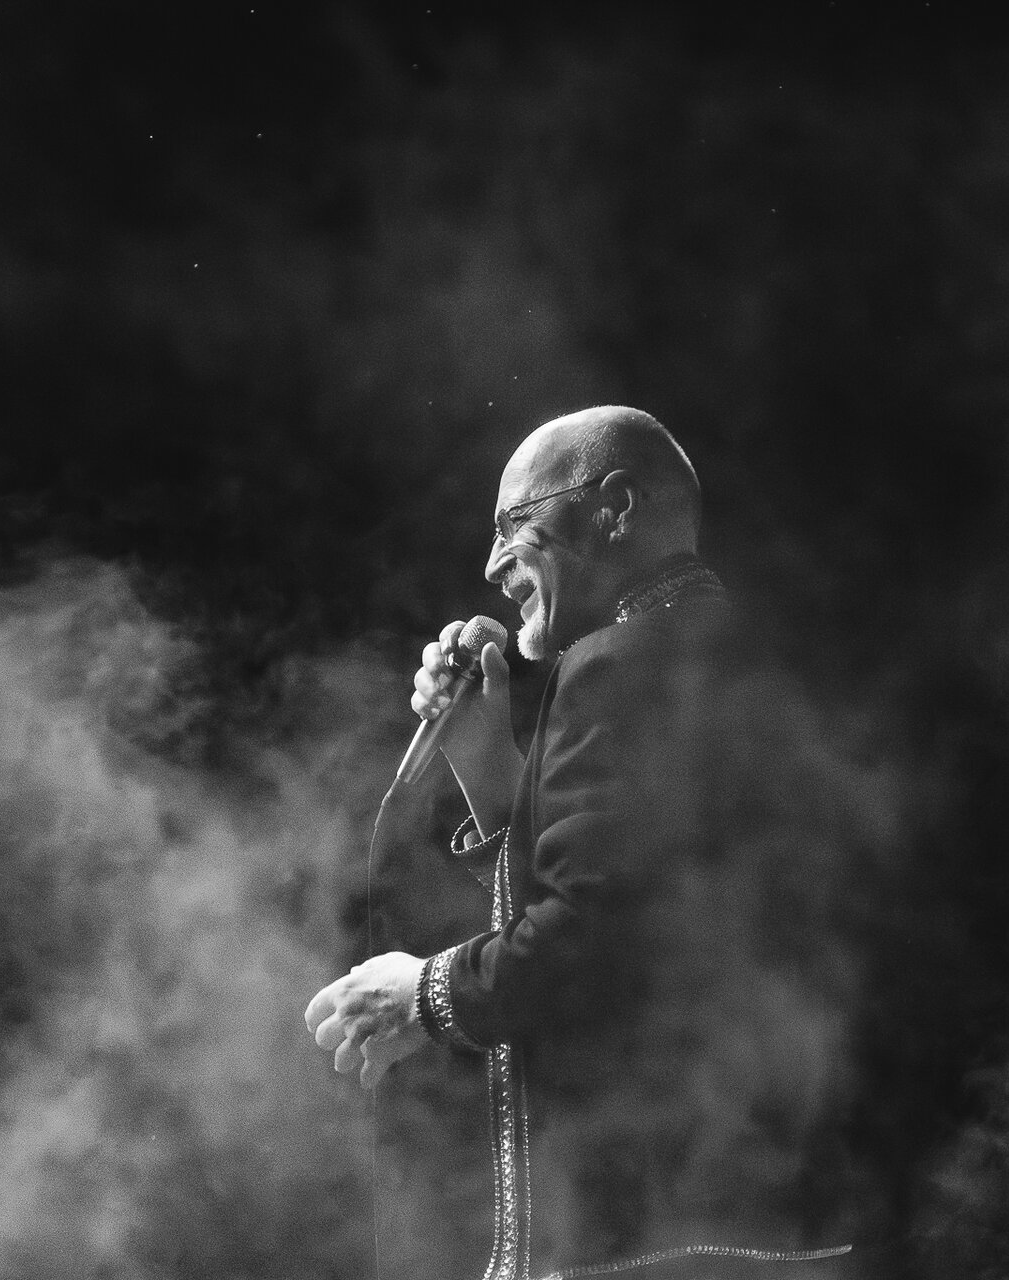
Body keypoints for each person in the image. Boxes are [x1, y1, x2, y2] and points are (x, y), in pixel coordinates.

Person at [306, 406, 869, 1278]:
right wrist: (488, 763)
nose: (492, 565)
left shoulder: (615, 665)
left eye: (513, 524)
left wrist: (425, 995)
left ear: (616, 507)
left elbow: (592, 932)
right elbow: (661, 903)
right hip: (778, 1201)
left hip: (655, 1222)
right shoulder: (747, 653)